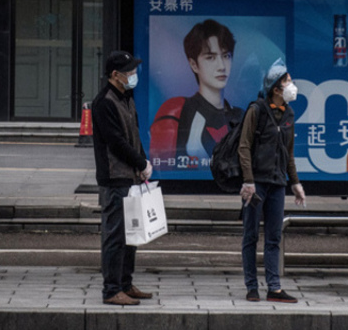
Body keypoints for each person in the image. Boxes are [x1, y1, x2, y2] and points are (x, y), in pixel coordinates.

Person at [238, 58, 306, 303]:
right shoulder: (256, 110)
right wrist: (248, 180)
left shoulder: (289, 113)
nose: (292, 84)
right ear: (276, 88)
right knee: (251, 235)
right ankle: (251, 286)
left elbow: (288, 152)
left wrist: (295, 182)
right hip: (256, 184)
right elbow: (244, 147)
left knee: (274, 236)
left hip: (277, 183)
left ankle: (274, 288)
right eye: (288, 81)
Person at [92, 50, 154, 306]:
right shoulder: (104, 102)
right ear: (115, 75)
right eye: (129, 72)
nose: (134, 75)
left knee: (132, 235)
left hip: (131, 178)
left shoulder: (126, 98)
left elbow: (134, 135)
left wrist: (143, 162)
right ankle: (111, 289)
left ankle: (125, 284)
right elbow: (116, 142)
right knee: (115, 237)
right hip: (115, 178)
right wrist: (139, 162)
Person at [150, 19, 243, 170]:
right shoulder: (177, 110)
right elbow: (162, 167)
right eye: (210, 57)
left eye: (226, 56)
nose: (221, 66)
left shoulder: (240, 116)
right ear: (193, 64)